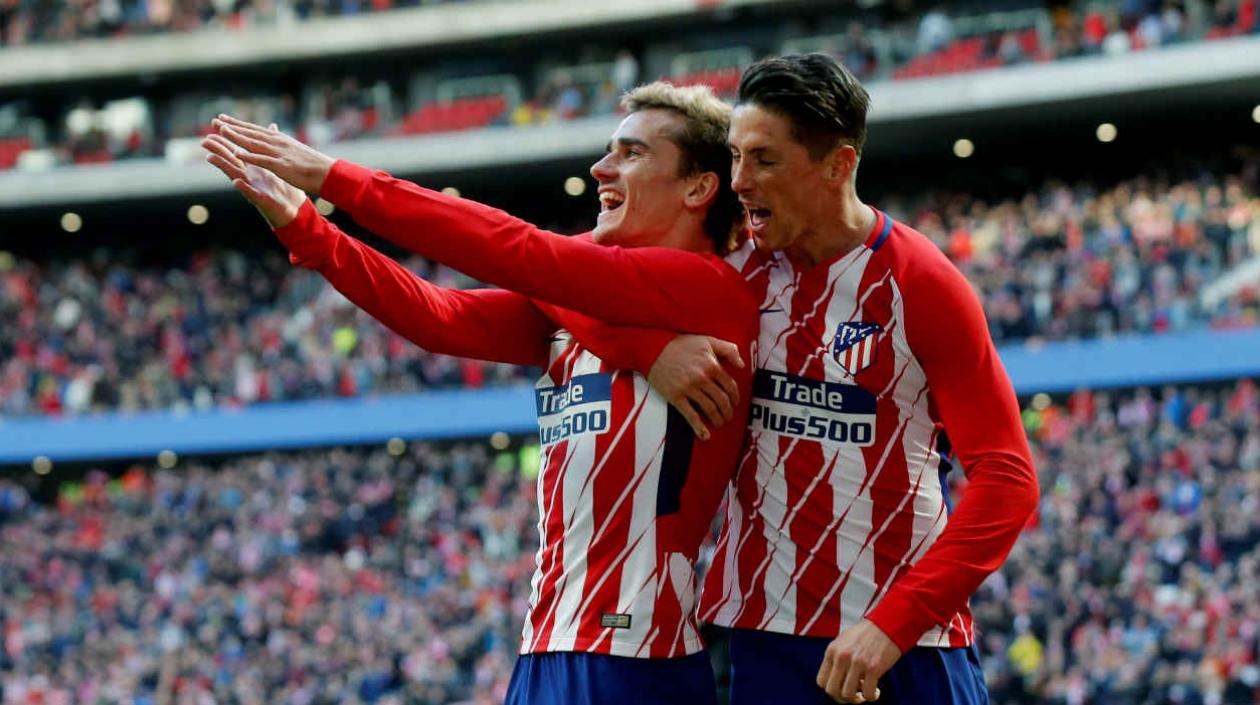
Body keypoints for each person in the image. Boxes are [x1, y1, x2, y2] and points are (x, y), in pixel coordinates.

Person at [203, 83, 759, 705]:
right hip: (547, 643)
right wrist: (307, 229)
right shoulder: (585, 311)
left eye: (631, 154)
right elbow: (441, 318)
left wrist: (333, 177)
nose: (601, 168)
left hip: (634, 655)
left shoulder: (710, 289)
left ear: (698, 187)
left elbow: (521, 254)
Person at [634, 54, 1040, 704]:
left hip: (906, 645)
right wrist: (648, 350)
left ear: (838, 165)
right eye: (735, 156)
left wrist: (893, 621)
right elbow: (559, 286)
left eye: (764, 159)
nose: (739, 180)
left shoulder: (921, 282)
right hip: (768, 642)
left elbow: (1008, 479)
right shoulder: (729, 275)